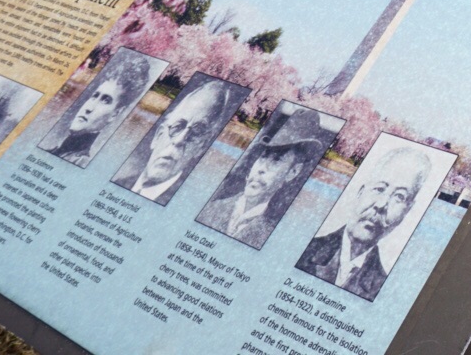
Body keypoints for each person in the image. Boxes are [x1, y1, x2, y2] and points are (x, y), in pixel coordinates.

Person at [295, 144, 430, 301]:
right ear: (360, 192)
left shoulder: (382, 288)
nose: (381, 204)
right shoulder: (306, 249)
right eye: (379, 189)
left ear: (406, 211)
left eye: (399, 196)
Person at [196, 106, 327, 249]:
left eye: (276, 161)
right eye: (263, 156)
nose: (262, 169)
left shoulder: (274, 236)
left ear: (293, 172)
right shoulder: (212, 208)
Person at [112, 78, 232, 205]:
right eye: (177, 127)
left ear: (200, 148)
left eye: (196, 131)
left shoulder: (185, 204)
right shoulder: (119, 182)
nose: (179, 140)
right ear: (158, 136)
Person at [45, 51, 152, 166]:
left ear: (115, 114)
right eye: (95, 96)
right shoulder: (56, 152)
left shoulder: (80, 162)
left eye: (105, 100)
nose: (89, 108)